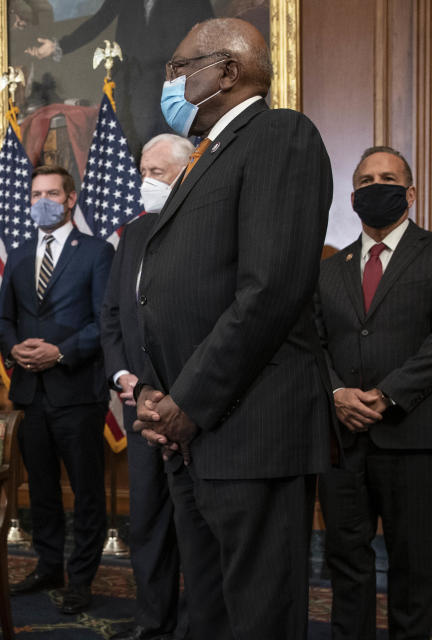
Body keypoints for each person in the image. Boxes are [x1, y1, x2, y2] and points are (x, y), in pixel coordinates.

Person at [133, 18, 334, 640]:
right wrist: (161, 394)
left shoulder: (280, 135)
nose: (167, 81)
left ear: (225, 70)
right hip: (192, 432)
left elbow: (269, 290)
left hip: (250, 429)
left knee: (258, 616)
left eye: (177, 67)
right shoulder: (205, 155)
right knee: (211, 613)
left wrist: (188, 401)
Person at [315, 146, 432, 640]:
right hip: (343, 443)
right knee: (347, 564)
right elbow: (313, 344)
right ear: (353, 195)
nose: (374, 186)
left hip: (412, 439)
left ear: (409, 193)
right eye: (365, 180)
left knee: (416, 569)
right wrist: (338, 391)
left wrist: (387, 395)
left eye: (386, 178)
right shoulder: (329, 268)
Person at [0, 165, 113, 615]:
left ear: (70, 199)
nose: (42, 199)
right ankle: (48, 566)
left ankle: (81, 579)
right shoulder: (20, 253)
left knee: (86, 492)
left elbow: (105, 322)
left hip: (77, 392)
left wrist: (59, 352)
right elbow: (3, 317)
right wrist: (14, 347)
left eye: (52, 193)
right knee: (40, 488)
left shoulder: (97, 252)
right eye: (36, 193)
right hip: (29, 393)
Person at [100, 133, 192, 640]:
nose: (145, 182)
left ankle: (198, 624)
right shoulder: (132, 235)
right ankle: (153, 621)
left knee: (196, 529)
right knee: (149, 522)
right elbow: (112, 315)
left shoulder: (205, 229)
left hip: (191, 408)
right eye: (143, 171)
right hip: (139, 406)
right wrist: (121, 376)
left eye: (157, 173)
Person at [25, 0, 213, 154]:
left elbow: (209, 32)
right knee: (132, 143)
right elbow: (97, 22)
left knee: (166, 147)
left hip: (173, 83)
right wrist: (59, 46)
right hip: (131, 83)